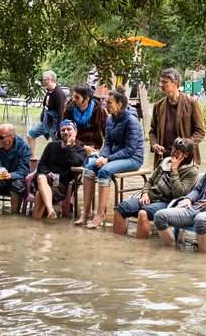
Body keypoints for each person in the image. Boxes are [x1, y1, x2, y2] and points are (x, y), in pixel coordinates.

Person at [75, 88, 144, 229]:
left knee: (104, 171)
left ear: (119, 104)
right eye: (106, 102)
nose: (106, 105)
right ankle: (86, 212)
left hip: (133, 158)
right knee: (88, 169)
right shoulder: (110, 120)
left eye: (109, 102)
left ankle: (100, 214)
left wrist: (108, 160)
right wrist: (102, 156)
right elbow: (107, 143)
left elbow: (130, 150)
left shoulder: (131, 121)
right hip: (116, 157)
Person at [113, 138, 199, 237]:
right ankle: (119, 242)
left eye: (177, 152)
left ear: (186, 155)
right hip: (150, 197)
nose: (172, 153)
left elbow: (179, 193)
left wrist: (174, 169)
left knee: (143, 213)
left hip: (168, 202)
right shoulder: (166, 161)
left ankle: (140, 246)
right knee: (119, 209)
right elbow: (150, 181)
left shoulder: (192, 171)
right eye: (172, 149)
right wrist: (145, 193)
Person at [30, 121, 86, 219]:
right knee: (41, 177)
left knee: (39, 194)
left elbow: (76, 162)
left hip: (60, 185)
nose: (66, 132)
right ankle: (50, 210)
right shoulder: (51, 146)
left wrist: (70, 146)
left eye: (69, 129)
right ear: (59, 132)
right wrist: (48, 172)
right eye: (63, 130)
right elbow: (41, 165)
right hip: (44, 178)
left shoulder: (80, 151)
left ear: (75, 131)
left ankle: (36, 224)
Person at [150, 68, 205, 167]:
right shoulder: (158, 105)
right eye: (161, 82)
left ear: (175, 83)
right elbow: (152, 131)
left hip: (185, 158)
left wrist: (185, 146)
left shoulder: (191, 103)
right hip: (164, 158)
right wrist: (154, 144)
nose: (161, 84)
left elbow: (200, 132)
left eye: (165, 82)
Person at [0, 123, 32, 212]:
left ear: (11, 138)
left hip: (15, 179)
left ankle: (14, 217)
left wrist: (11, 175)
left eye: (0, 137)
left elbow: (24, 171)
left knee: (18, 184)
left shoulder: (23, 147)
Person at [25, 70, 70, 151]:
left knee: (58, 144)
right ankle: (32, 157)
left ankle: (59, 158)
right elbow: (46, 107)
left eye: (45, 80)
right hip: (45, 122)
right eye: (43, 80)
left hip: (54, 124)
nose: (44, 82)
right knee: (30, 134)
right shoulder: (49, 91)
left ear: (52, 79)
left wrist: (59, 129)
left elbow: (61, 112)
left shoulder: (59, 93)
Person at [69, 83, 107, 153]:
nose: (73, 99)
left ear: (86, 99)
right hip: (75, 146)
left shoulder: (99, 111)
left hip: (94, 147)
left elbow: (107, 132)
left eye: (77, 97)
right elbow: (64, 133)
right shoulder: (69, 110)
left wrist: (106, 151)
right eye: (73, 96)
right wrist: (82, 146)